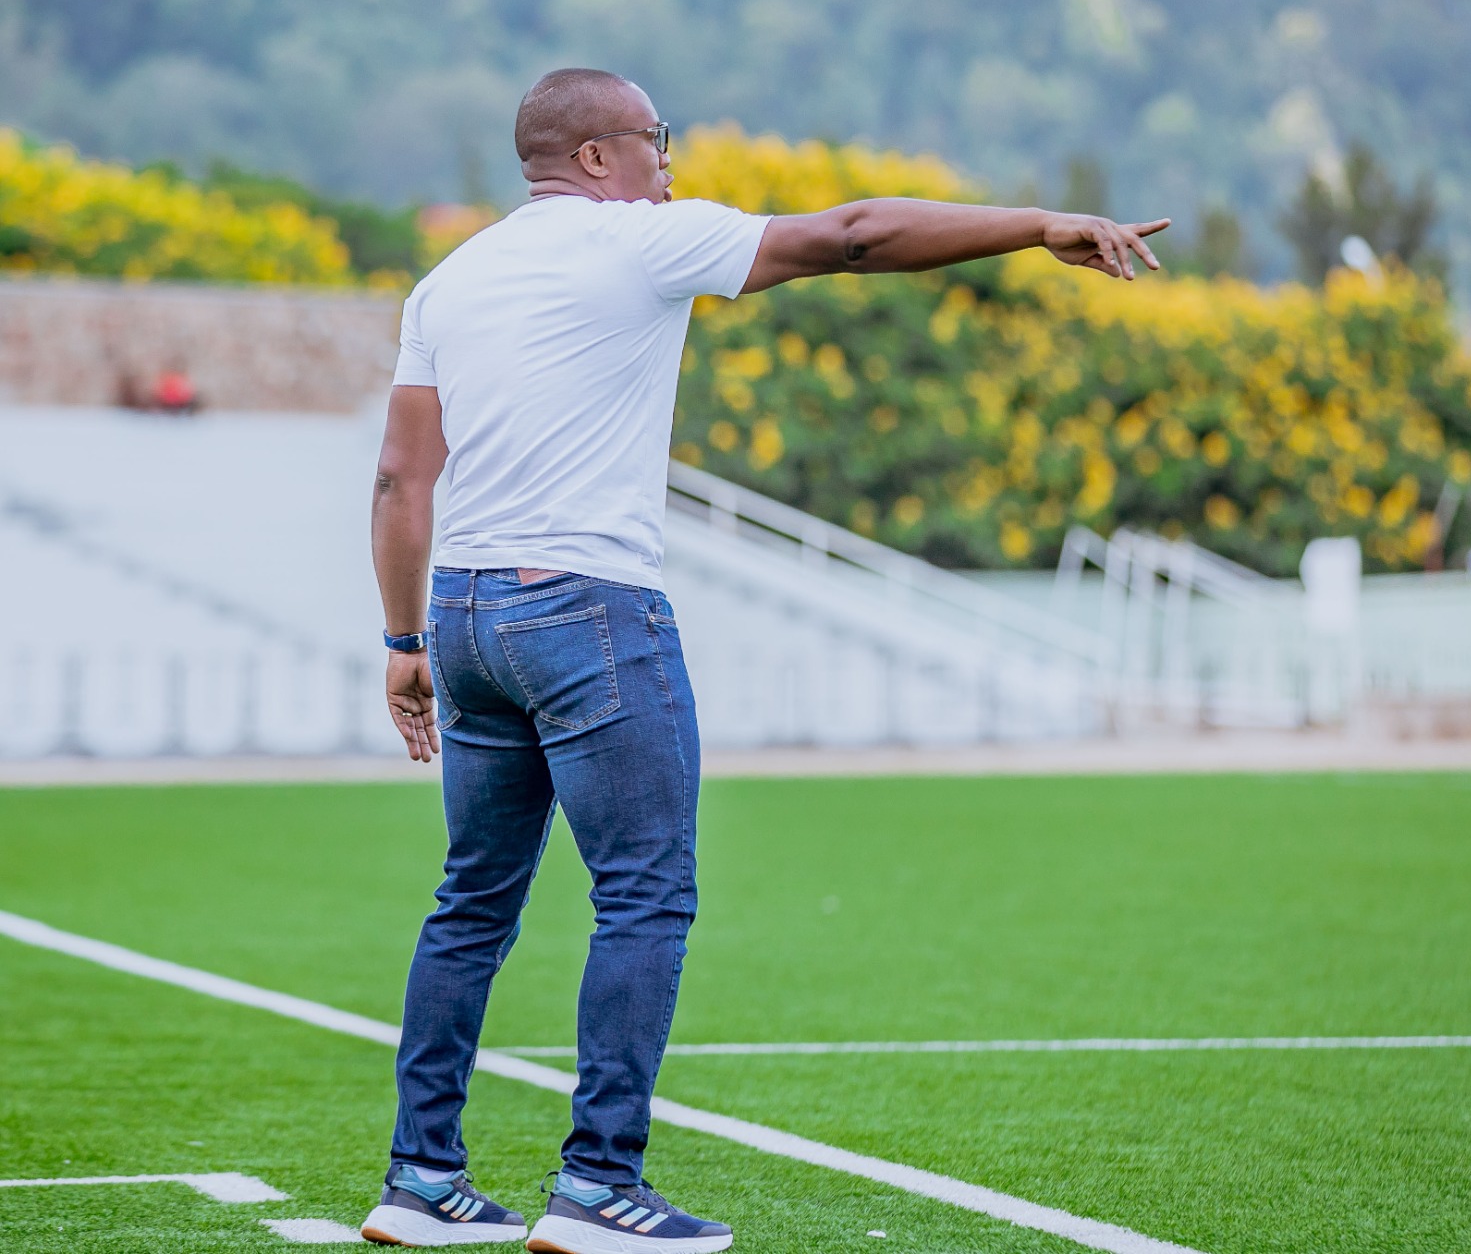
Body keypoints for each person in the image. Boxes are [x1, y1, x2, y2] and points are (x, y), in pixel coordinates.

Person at [363, 66, 1167, 1251]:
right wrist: (1037, 225)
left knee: (472, 901)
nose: (669, 158)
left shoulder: (449, 278)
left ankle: (420, 1180)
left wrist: (401, 640)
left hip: (468, 612)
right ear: (596, 157)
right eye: (655, 136)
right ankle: (595, 1189)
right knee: (642, 890)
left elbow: (398, 477)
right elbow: (849, 235)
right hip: (586, 607)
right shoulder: (640, 240)